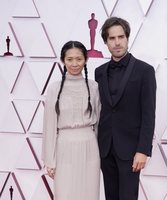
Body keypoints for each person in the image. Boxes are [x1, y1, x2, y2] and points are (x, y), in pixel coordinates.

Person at [95, 17, 156, 200]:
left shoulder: (145, 71)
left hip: (131, 150)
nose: (117, 42)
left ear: (127, 38)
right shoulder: (99, 71)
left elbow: (149, 114)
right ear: (106, 42)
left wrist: (143, 150)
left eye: (121, 37)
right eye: (112, 38)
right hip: (105, 148)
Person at [42, 41, 101, 200]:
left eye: (79, 59)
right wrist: (50, 160)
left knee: (89, 193)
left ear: (86, 60)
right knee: (65, 194)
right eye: (69, 59)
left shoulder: (94, 86)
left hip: (90, 147)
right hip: (64, 147)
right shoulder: (54, 88)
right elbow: (49, 124)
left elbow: (99, 123)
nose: (74, 64)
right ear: (63, 60)